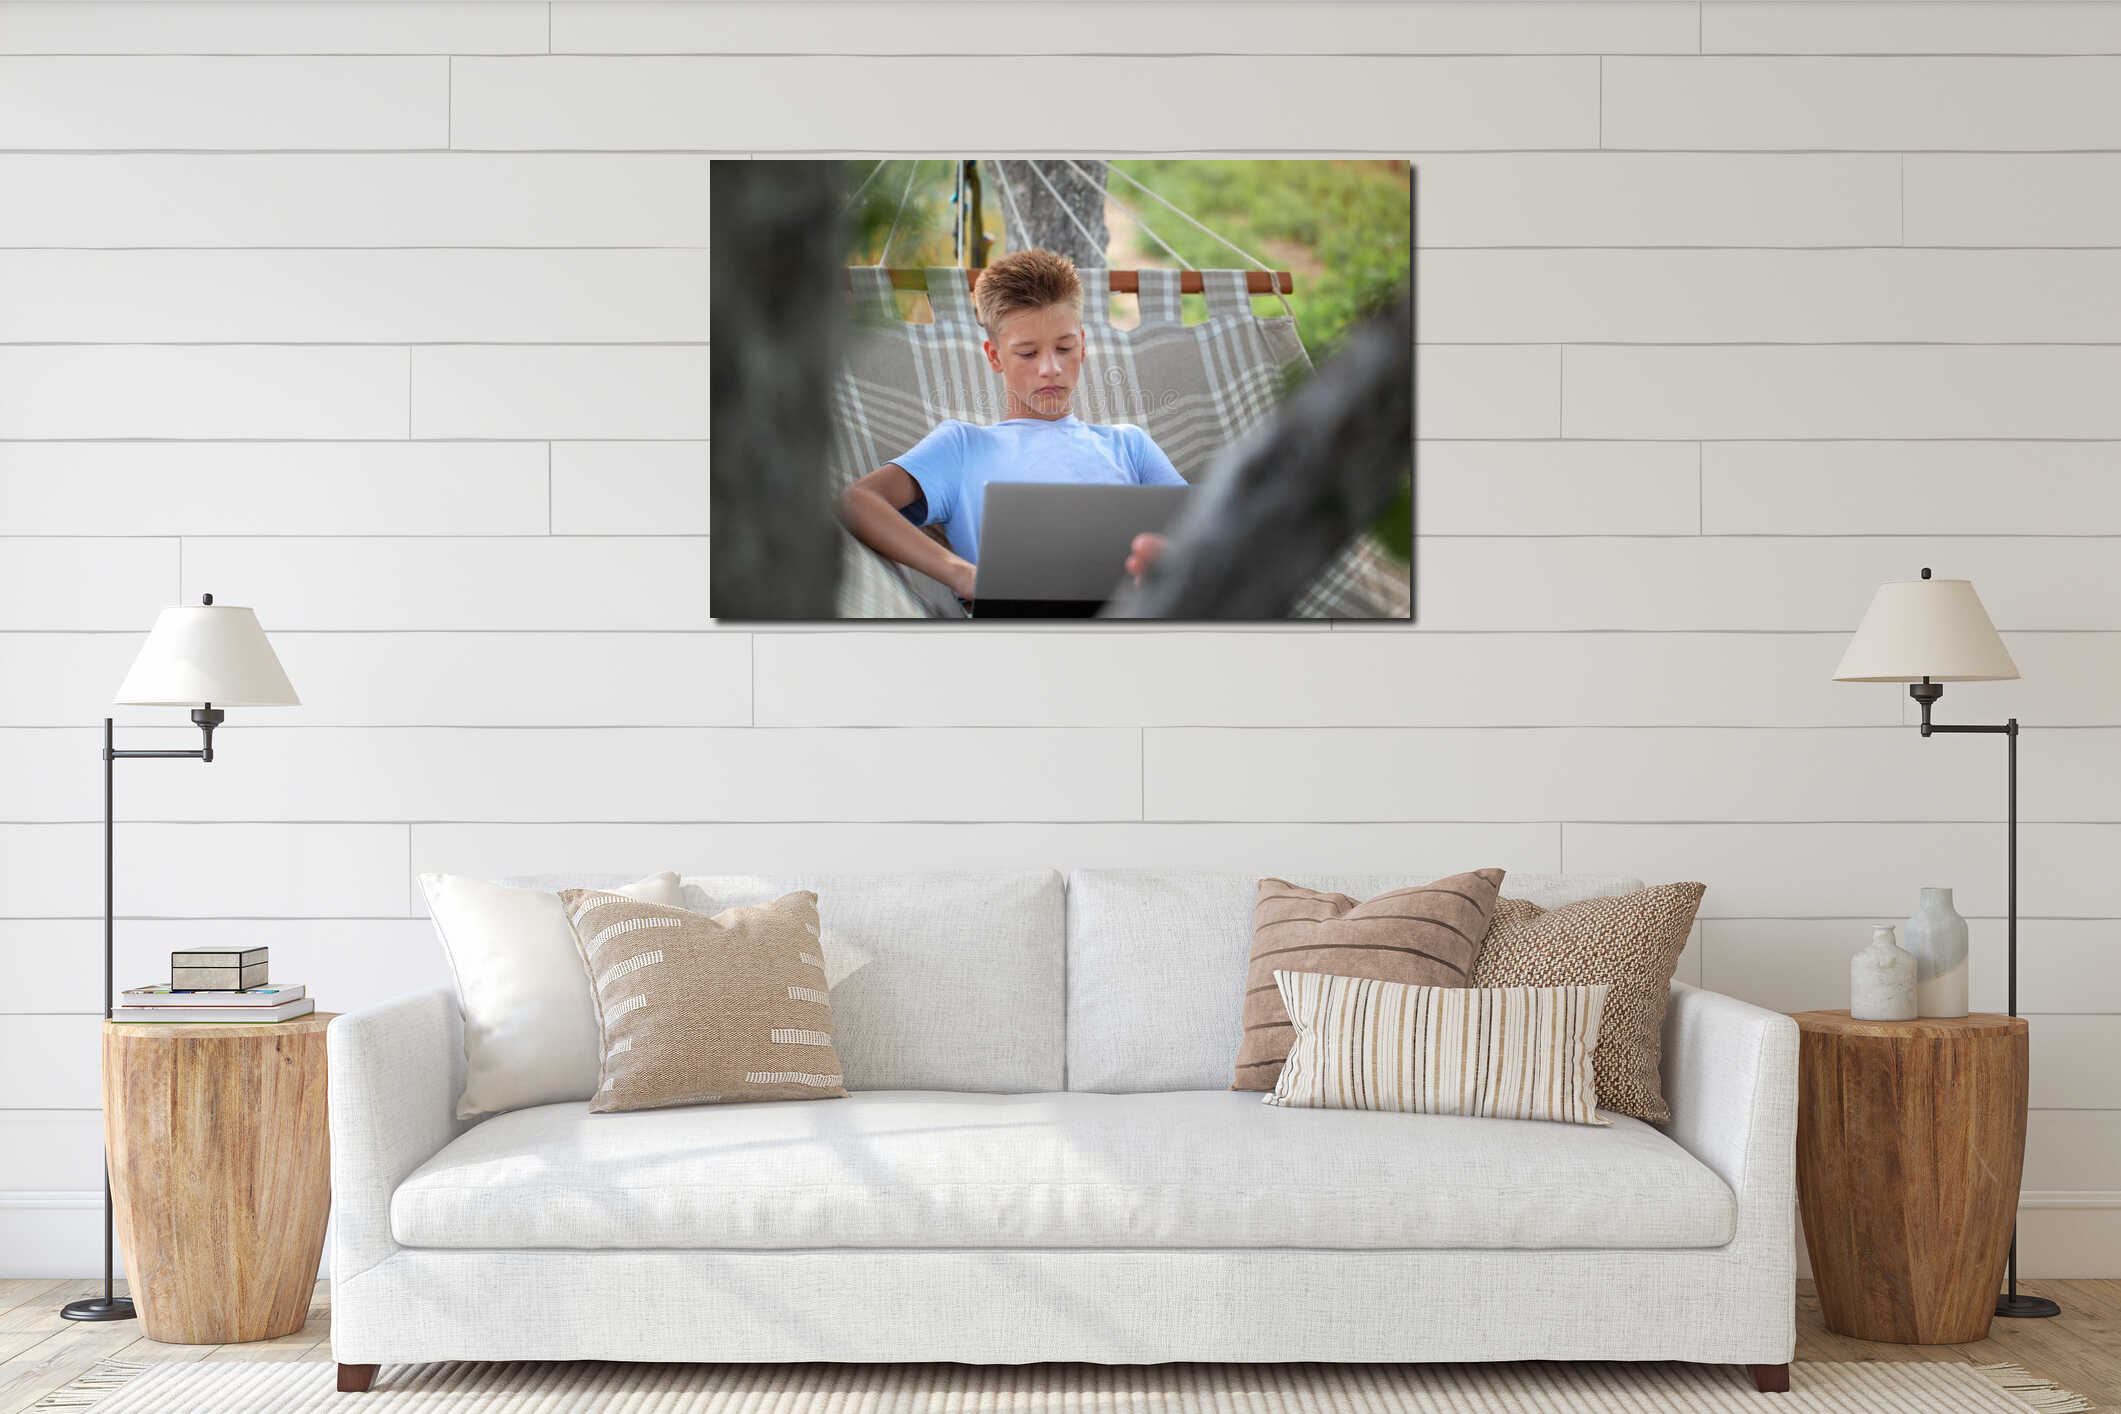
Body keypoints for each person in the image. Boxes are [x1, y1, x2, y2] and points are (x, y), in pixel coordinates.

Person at [837, 249, 1180, 603]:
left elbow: (1202, 529)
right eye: (1028, 353)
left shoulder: (1129, 446)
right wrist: (964, 575)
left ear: (1082, 346)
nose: (1050, 368)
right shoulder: (962, 447)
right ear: (995, 356)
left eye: (1064, 347)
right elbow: (857, 501)